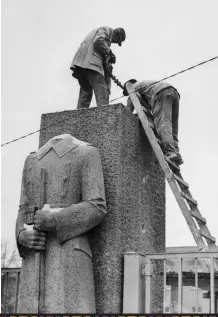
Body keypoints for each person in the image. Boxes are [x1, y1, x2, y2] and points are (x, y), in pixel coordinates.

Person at [16, 134, 107, 313]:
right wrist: (21, 234)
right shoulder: (31, 160)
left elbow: (97, 207)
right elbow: (23, 208)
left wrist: (56, 220)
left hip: (70, 255)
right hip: (34, 258)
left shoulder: (87, 153)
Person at [123, 79, 184, 165]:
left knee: (163, 123)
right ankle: (176, 153)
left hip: (161, 93)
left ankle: (170, 152)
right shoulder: (146, 86)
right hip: (173, 93)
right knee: (172, 127)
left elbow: (128, 110)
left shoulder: (132, 88)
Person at [70, 27, 126, 109]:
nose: (114, 42)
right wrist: (109, 52)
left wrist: (108, 62)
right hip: (90, 63)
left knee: (86, 93)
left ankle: (79, 117)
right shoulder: (107, 30)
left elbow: (101, 53)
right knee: (101, 89)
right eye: (116, 41)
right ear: (116, 35)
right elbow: (98, 40)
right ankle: (104, 115)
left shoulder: (103, 35)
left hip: (82, 64)